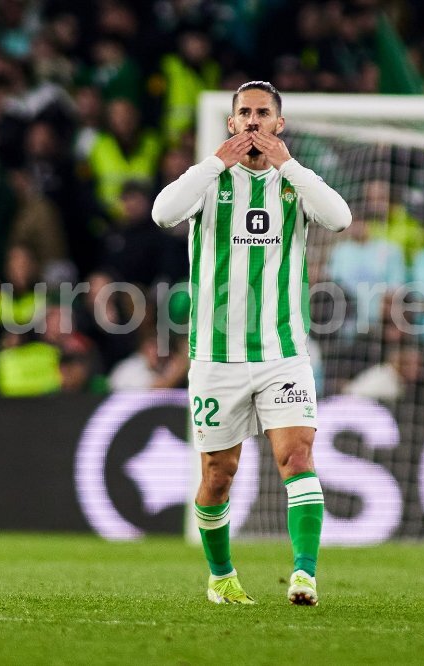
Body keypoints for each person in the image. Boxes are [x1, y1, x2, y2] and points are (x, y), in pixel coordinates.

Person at [152, 81, 351, 606]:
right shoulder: (210, 182)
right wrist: (215, 162)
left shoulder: (294, 184)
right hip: (216, 356)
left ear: (279, 124)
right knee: (219, 475)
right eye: (245, 113)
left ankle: (304, 574)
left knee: (297, 456)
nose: (254, 121)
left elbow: (340, 218)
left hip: (281, 353)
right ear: (231, 123)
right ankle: (221, 577)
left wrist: (291, 166)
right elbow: (162, 213)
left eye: (264, 113)